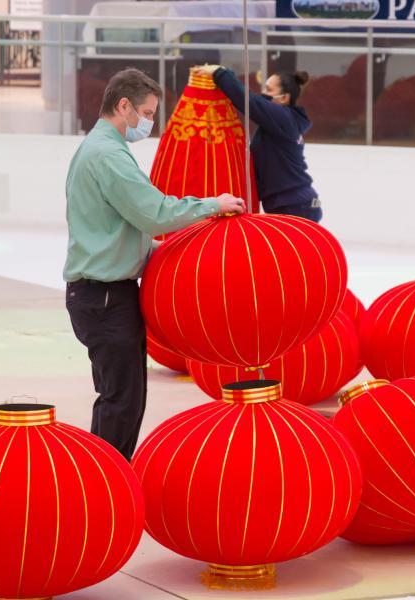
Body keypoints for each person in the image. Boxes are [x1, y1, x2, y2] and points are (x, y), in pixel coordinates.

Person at [63, 67, 245, 460]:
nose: (148, 123)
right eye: (146, 114)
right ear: (123, 105)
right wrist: (213, 205)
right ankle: (108, 483)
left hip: (100, 294)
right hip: (106, 295)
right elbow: (155, 213)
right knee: (122, 402)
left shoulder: (97, 148)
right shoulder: (108, 155)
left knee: (119, 398)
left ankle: (105, 478)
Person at [196, 65, 322, 222]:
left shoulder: (283, 118)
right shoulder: (280, 123)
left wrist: (220, 73)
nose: (264, 95)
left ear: (284, 98)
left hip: (294, 205)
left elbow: (248, 101)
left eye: (269, 90)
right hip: (292, 202)